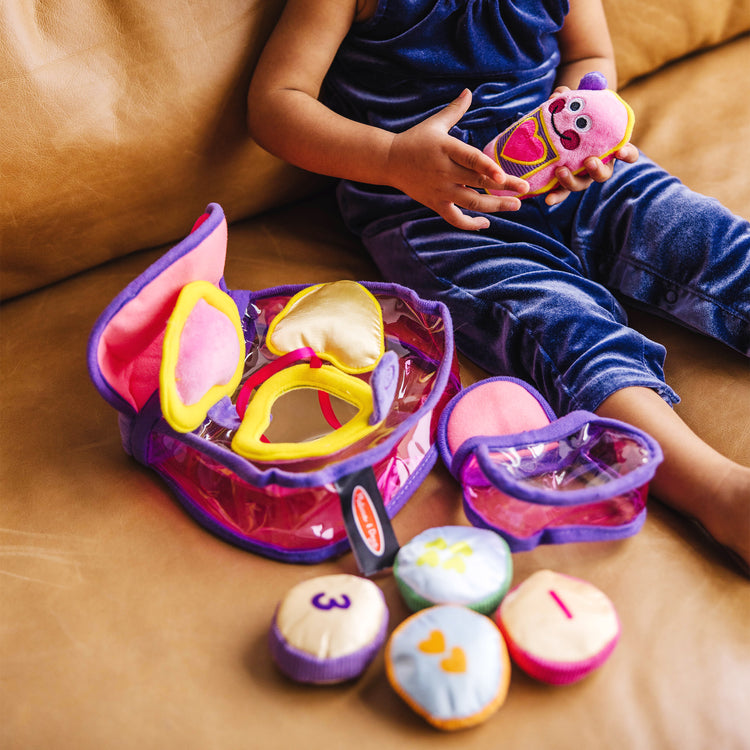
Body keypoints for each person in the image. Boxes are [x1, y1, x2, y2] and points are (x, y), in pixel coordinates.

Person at [247, 0, 750, 570]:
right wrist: (391, 157)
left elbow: (590, 55)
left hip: (568, 172)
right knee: (563, 328)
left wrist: (585, 124)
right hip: (432, 213)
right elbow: (275, 105)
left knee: (707, 237)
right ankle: (719, 492)